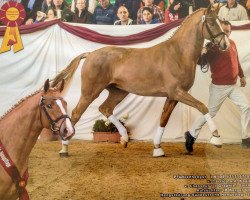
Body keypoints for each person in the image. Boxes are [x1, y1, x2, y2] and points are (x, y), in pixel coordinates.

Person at [185, 20, 250, 152]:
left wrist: (241, 76)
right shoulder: (212, 46)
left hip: (232, 86)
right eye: (224, 31)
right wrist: (202, 53)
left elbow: (236, 61)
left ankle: (246, 138)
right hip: (219, 87)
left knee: (246, 106)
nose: (227, 33)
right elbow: (201, 63)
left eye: (228, 31)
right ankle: (191, 134)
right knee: (210, 113)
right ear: (220, 31)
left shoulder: (232, 43)